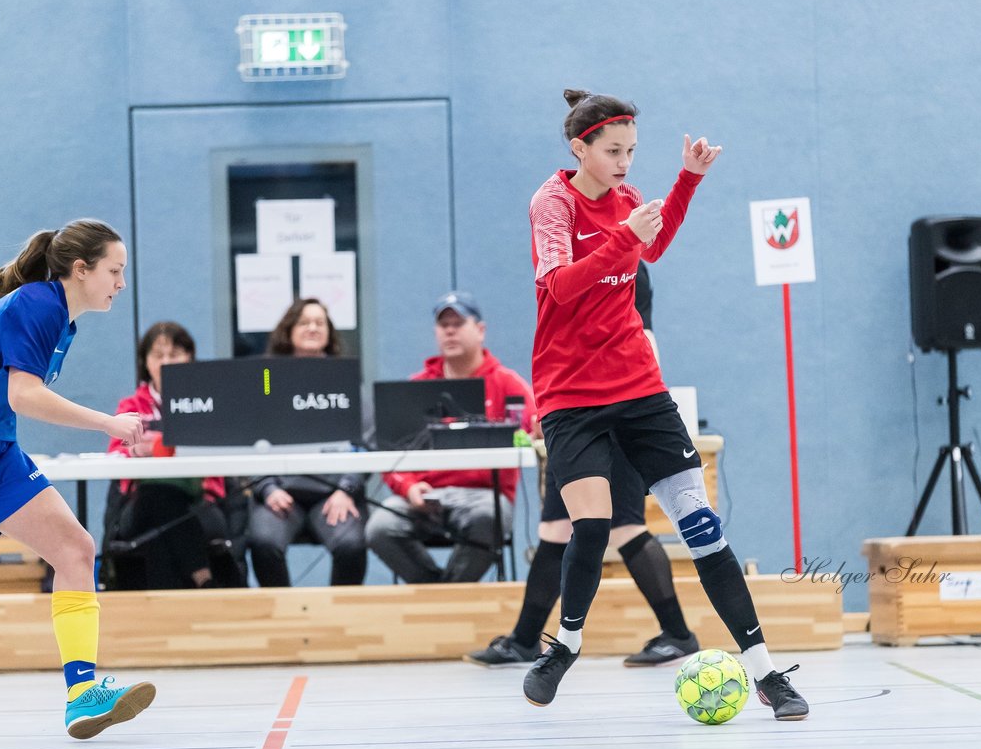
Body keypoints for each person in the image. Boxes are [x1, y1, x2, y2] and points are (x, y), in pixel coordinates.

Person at [520, 90, 809, 719]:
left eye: (631, 152)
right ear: (580, 148)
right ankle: (564, 645)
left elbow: (654, 246)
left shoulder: (626, 199)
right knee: (592, 527)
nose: (625, 163)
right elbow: (560, 288)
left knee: (703, 529)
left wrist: (688, 181)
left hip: (639, 388)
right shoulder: (553, 203)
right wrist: (622, 237)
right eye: (613, 151)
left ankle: (765, 672)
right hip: (571, 395)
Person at [0, 219, 156, 739]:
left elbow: (14, 401)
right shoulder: (37, 304)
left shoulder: (62, 321)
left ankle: (82, 695)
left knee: (75, 549)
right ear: (80, 270)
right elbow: (25, 395)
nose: (121, 283)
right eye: (115, 270)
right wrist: (108, 423)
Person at [465, 262, 701, 667]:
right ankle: (525, 639)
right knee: (556, 529)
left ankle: (678, 633)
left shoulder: (624, 261)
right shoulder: (570, 261)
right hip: (574, 414)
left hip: (618, 407)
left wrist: (632, 414)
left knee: (626, 526)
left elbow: (641, 336)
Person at [366, 291, 535, 583]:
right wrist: (408, 488)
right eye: (444, 325)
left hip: (485, 496)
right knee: (379, 527)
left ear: (480, 331)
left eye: (459, 323)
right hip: (423, 494)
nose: (450, 330)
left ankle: (446, 598)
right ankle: (439, 596)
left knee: (488, 519)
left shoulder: (508, 384)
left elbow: (530, 432)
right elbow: (391, 453)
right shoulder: (415, 388)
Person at [104, 321, 238, 589]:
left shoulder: (207, 403)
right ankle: (202, 578)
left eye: (174, 354)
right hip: (137, 501)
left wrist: (155, 445)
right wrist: (137, 450)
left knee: (161, 517)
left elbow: (217, 449)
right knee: (157, 498)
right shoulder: (131, 406)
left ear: (189, 358)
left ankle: (166, 615)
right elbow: (116, 452)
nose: (166, 362)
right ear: (146, 362)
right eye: (158, 355)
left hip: (201, 500)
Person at [248, 298, 368, 587]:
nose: (312, 328)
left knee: (352, 545)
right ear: (289, 330)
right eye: (304, 322)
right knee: (263, 542)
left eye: (319, 323)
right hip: (279, 493)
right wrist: (267, 488)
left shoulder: (344, 379)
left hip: (334, 494)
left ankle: (340, 622)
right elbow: (249, 434)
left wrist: (346, 489)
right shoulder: (267, 378)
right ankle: (284, 621)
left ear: (329, 333)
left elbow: (365, 439)